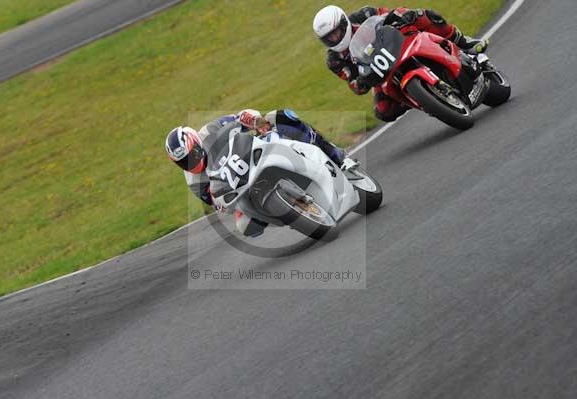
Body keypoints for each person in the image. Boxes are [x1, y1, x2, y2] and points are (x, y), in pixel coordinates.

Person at [165, 110, 352, 237]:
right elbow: (218, 204)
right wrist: (224, 203)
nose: (192, 163)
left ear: (197, 143)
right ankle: (292, 215)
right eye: (184, 162)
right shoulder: (193, 181)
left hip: (255, 152)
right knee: (245, 226)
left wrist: (254, 121)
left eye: (193, 155)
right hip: (243, 190)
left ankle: (334, 153)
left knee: (281, 116)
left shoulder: (210, 130)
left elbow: (240, 118)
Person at [312, 5, 489, 122]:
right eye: (328, 38)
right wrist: (361, 83)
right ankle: (424, 98)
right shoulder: (334, 60)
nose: (333, 39)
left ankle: (463, 42)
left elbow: (388, 14)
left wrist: (402, 15)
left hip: (400, 42)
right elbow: (353, 84)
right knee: (382, 111)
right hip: (381, 73)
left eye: (335, 33)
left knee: (423, 15)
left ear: (344, 23)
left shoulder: (363, 15)